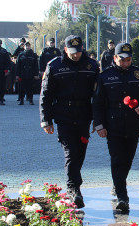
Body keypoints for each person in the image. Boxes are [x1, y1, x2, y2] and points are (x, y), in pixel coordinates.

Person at [39, 35, 99, 208]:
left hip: (83, 115)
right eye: (72, 52)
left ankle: (74, 182)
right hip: (63, 115)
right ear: (65, 50)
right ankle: (73, 188)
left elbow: (98, 96)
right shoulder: (54, 66)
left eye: (78, 52)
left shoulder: (92, 65)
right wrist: (46, 120)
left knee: (80, 151)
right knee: (70, 151)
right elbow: (46, 95)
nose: (76, 55)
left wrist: (97, 119)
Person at [93, 43, 139, 211]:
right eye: (122, 60)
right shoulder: (105, 76)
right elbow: (97, 103)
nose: (126, 63)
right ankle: (122, 196)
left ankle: (118, 183)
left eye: (129, 59)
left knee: (128, 160)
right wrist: (99, 125)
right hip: (113, 124)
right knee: (117, 160)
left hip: (133, 123)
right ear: (115, 58)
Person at [0, 39, 11, 105]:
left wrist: (7, 70)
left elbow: (8, 62)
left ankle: (1, 99)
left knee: (2, 85)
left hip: (2, 70)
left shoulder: (4, 51)